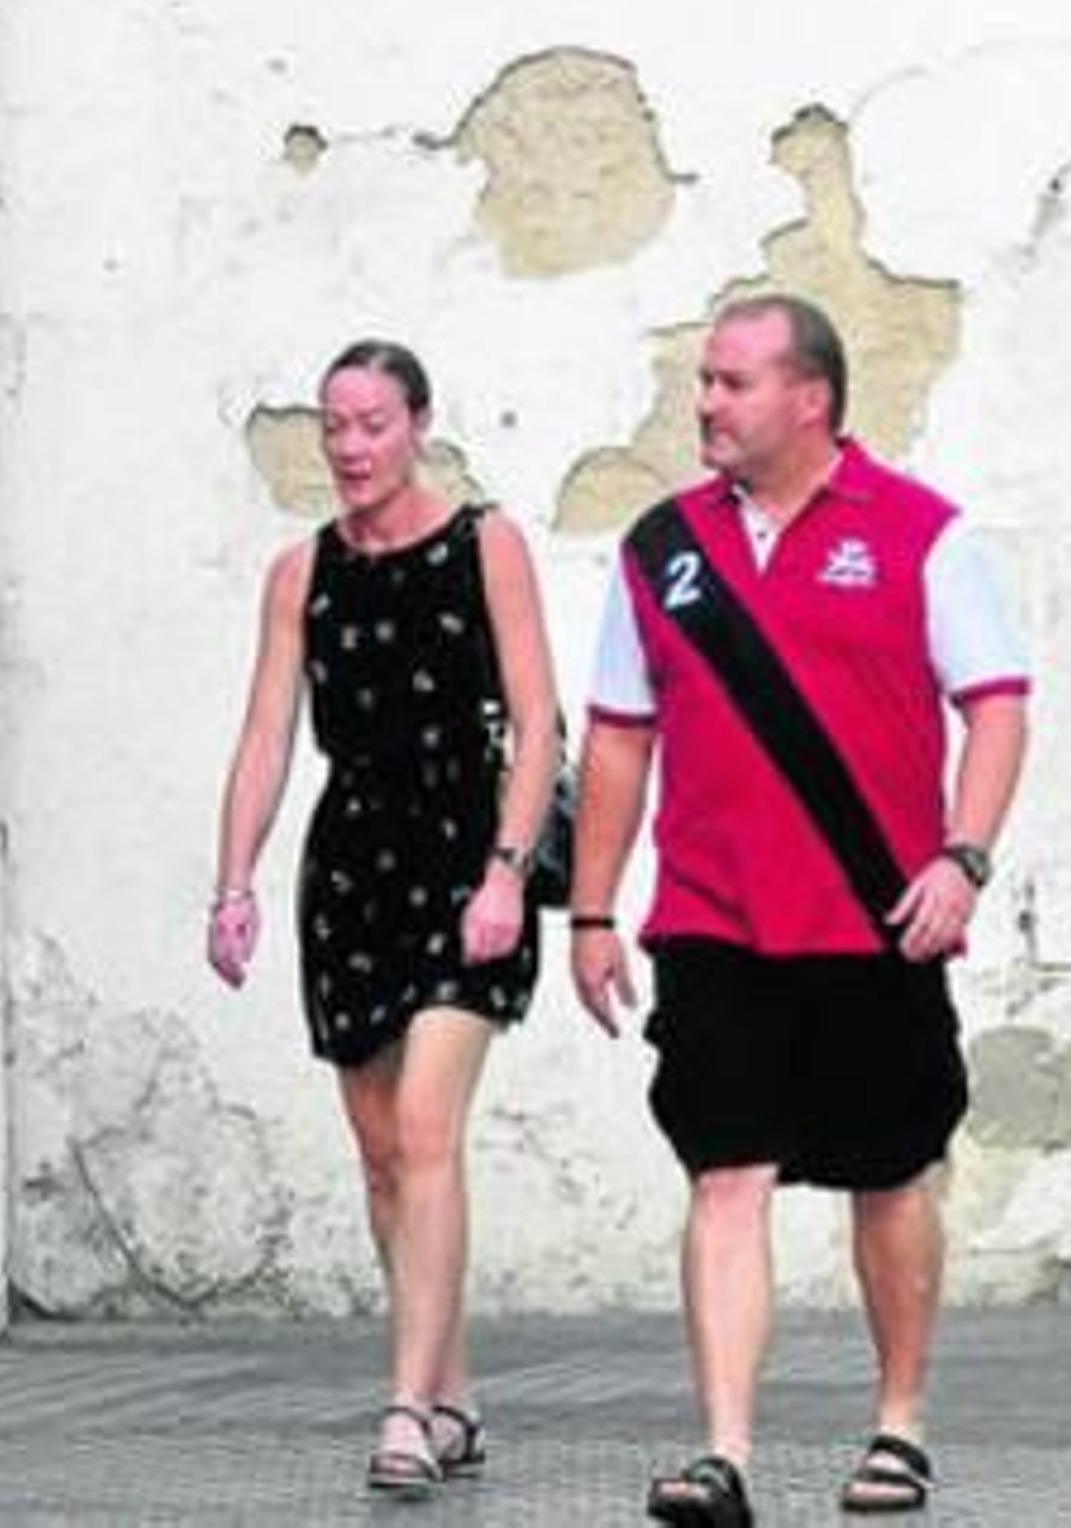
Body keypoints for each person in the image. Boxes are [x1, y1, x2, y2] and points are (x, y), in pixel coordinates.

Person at [570, 295, 1029, 1526]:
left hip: (875, 919)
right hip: (713, 919)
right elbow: (617, 737)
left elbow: (995, 705)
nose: (705, 403)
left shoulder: (924, 535)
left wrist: (962, 860)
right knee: (725, 1169)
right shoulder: (659, 545)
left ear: (809, 397)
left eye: (730, 382)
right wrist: (593, 909)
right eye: (705, 381)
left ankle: (899, 1423)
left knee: (889, 1173)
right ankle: (721, 1453)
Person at [209, 338, 561, 1499]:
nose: (351, 447)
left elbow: (537, 721)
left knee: (424, 1129)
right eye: (335, 426)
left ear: (416, 424)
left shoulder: (486, 544)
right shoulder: (298, 573)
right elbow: (267, 735)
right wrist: (233, 881)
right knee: (379, 1158)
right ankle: (452, 1391)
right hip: (352, 872)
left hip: (466, 861)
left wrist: (510, 871)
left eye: (372, 423)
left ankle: (404, 1407)